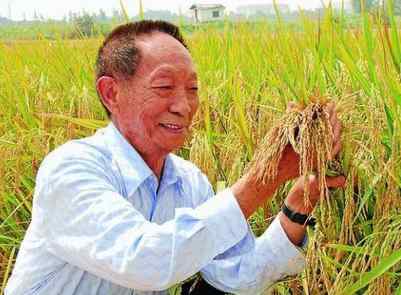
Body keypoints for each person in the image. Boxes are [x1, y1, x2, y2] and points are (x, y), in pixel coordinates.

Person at [5, 20, 344, 295]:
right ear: (111, 93)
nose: (183, 106)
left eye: (193, 89)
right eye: (164, 87)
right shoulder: (71, 171)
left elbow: (237, 276)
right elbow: (144, 260)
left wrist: (300, 201)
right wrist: (265, 176)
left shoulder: (188, 182)